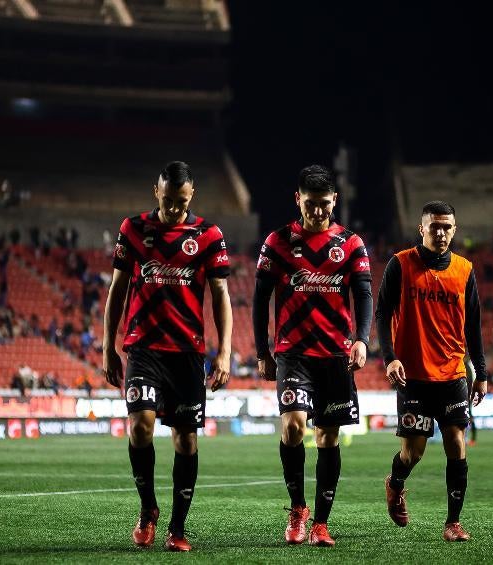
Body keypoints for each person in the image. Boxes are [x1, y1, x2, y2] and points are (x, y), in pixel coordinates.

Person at [102, 161, 233, 552]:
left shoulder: (208, 234)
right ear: (155, 192)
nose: (175, 208)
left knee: (185, 441)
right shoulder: (134, 229)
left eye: (181, 201)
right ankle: (148, 511)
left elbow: (221, 294)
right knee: (139, 427)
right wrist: (109, 346)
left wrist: (224, 352)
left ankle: (178, 527)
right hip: (143, 347)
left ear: (191, 196)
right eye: (168, 200)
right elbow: (117, 289)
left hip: (187, 353)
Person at [254, 165, 372, 547]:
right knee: (292, 427)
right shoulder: (279, 241)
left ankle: (321, 523)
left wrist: (363, 340)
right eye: (311, 203)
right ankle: (297, 508)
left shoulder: (351, 243)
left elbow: (365, 295)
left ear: (334, 200)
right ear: (297, 199)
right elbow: (260, 300)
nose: (318, 211)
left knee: (327, 435)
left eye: (324, 204)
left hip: (336, 355)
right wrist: (262, 351)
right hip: (293, 354)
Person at [376, 200, 488, 542]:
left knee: (456, 442)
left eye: (447, 227)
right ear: (421, 228)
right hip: (412, 377)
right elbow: (382, 314)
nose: (440, 232)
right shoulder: (400, 264)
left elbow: (474, 327)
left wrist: (480, 372)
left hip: (453, 373)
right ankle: (396, 483)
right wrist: (390, 357)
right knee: (414, 452)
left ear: (454, 231)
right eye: (434, 226)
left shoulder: (465, 270)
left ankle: (453, 523)